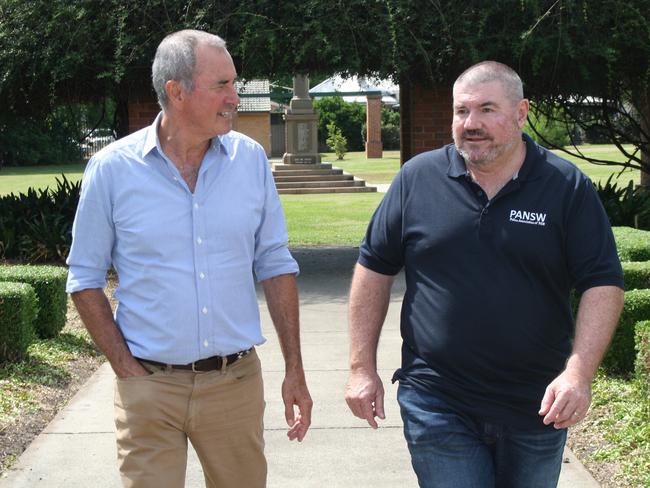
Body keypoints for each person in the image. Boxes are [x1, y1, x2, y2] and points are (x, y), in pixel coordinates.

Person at [344, 61, 624, 488]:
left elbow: (602, 282)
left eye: (487, 109)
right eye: (462, 111)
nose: (471, 124)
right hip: (437, 399)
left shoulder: (565, 187)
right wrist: (361, 368)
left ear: (520, 112)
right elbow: (373, 269)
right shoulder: (417, 179)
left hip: (536, 406)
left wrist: (579, 374)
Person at [66, 29, 312, 488]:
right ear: (177, 92)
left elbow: (275, 264)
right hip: (149, 389)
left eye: (234, 84)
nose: (235, 97)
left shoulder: (251, 160)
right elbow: (83, 278)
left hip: (234, 384)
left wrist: (294, 369)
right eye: (222, 85)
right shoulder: (112, 170)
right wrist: (125, 367)